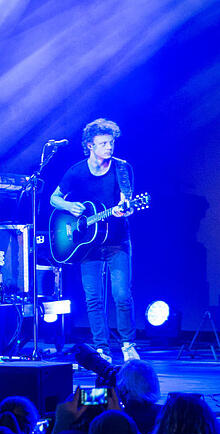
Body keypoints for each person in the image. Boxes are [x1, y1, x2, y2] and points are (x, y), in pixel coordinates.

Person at [50, 118, 139, 363]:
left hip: (117, 240)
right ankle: (102, 349)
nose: (109, 147)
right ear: (90, 145)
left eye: (111, 143)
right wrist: (69, 206)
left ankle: (128, 345)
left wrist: (125, 208)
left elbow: (127, 201)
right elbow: (54, 199)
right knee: (93, 299)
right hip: (87, 244)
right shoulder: (77, 171)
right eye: (103, 143)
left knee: (122, 295)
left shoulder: (122, 168)